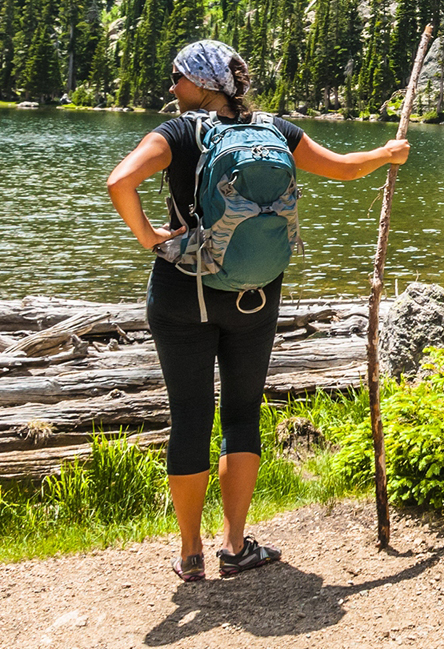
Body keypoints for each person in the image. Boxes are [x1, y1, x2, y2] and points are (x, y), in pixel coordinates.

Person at [106, 39, 408, 582]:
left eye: (177, 77)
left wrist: (150, 236)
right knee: (242, 416)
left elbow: (119, 181)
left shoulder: (180, 131)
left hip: (182, 296)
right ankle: (237, 545)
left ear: (201, 84)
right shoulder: (274, 130)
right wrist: (387, 154)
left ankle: (191, 553)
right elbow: (342, 169)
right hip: (256, 297)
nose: (172, 87)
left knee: (190, 420)